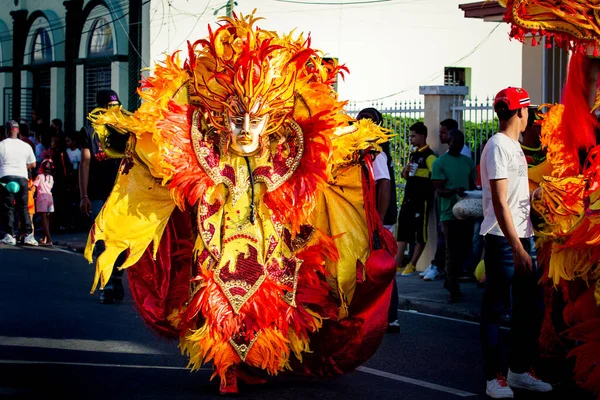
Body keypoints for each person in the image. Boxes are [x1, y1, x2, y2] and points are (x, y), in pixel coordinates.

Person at [84, 12, 396, 395]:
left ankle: (264, 360)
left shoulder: (292, 150)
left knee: (276, 309)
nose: (246, 127)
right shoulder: (200, 149)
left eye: (255, 118)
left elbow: (328, 161)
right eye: (236, 118)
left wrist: (352, 149)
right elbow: (158, 154)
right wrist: (129, 137)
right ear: (220, 119)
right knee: (218, 309)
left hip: (274, 249)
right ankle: (228, 368)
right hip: (217, 249)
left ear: (272, 119)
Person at [479, 87, 552, 398]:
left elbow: (513, 196)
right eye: (528, 113)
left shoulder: (514, 146)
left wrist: (539, 196)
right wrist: (518, 248)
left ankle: (519, 371)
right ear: (520, 113)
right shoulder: (498, 146)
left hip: (523, 238)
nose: (530, 119)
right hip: (502, 240)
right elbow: (499, 202)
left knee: (530, 308)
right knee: (495, 309)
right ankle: (494, 377)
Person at [356, 107, 400, 334]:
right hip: (367, 218)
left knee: (381, 267)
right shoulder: (362, 150)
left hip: (379, 220)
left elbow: (384, 185)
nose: (365, 124)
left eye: (370, 121)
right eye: (361, 120)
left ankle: (390, 316)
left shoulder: (377, 153)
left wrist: (379, 222)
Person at [79, 90, 125, 304]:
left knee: (121, 239)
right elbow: (85, 163)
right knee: (102, 239)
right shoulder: (88, 131)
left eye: (115, 105)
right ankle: (107, 284)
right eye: (109, 106)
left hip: (122, 193)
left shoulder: (125, 129)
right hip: (98, 192)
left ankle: (115, 279)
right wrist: (84, 195)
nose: (112, 110)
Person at [431, 129, 476, 303]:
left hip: (466, 211)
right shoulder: (439, 163)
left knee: (464, 248)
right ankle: (453, 287)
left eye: (458, 142)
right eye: (452, 142)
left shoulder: (468, 162)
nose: (454, 145)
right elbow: (439, 190)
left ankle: (452, 279)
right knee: (451, 250)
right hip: (448, 213)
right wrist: (454, 191)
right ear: (447, 143)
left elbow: (472, 185)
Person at [396, 122, 437, 276]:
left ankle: (412, 264)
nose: (411, 139)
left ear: (422, 136)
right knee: (403, 231)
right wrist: (405, 171)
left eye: (413, 136)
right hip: (408, 199)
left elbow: (435, 176)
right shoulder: (413, 154)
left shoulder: (430, 156)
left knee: (420, 233)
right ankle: (397, 262)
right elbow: (407, 176)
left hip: (421, 201)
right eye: (410, 136)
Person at [0, 120, 38, 246]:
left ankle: (10, 235)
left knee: (8, 207)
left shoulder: (2, 145)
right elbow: (33, 164)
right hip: (22, 177)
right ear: (18, 131)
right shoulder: (25, 146)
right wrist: (22, 166)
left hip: (6, 177)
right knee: (23, 207)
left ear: (7, 130)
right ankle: (28, 235)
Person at [34, 159, 55, 246]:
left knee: (43, 220)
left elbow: (34, 186)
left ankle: (49, 239)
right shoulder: (51, 177)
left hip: (41, 197)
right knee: (47, 219)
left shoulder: (39, 176)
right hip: (50, 197)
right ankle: (45, 238)